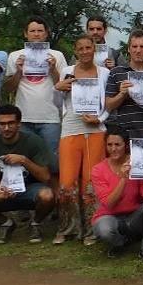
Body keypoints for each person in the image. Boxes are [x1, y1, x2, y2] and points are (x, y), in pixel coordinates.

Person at [0, 105, 56, 244]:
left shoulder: (33, 141)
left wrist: (24, 161)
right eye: (2, 124)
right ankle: (5, 223)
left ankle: (35, 224)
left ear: (19, 124)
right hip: (2, 189)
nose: (6, 128)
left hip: (28, 189)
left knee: (48, 195)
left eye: (11, 123)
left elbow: (46, 177)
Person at [52, 35, 108, 245]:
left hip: (95, 129)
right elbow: (58, 103)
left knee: (90, 182)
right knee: (67, 182)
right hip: (71, 127)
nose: (85, 51)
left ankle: (91, 229)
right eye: (81, 48)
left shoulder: (104, 73)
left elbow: (108, 105)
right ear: (75, 51)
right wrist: (58, 88)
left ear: (94, 49)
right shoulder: (67, 71)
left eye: (88, 47)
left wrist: (99, 118)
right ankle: (68, 228)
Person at [90, 129, 143, 262]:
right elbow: (109, 203)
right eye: (109, 145)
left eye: (117, 145)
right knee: (105, 230)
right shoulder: (98, 170)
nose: (113, 149)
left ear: (126, 146)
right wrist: (123, 179)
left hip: (132, 216)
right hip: (108, 216)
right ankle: (120, 243)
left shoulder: (135, 163)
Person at [2, 16, 68, 159]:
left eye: (40, 31)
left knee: (52, 162)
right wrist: (19, 71)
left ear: (46, 33)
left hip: (50, 118)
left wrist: (53, 69)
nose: (36, 34)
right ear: (25, 33)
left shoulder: (57, 55)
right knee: (25, 161)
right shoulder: (15, 56)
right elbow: (8, 88)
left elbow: (64, 87)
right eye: (32, 31)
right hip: (23, 117)